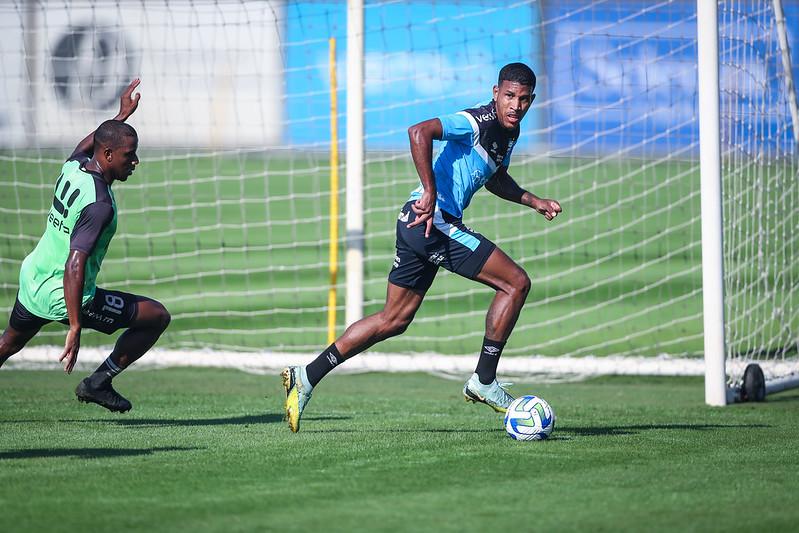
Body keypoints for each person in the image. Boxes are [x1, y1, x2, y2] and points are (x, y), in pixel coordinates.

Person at [282, 63, 561, 432]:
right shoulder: (477, 120)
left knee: (393, 319)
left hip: (417, 224)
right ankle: (484, 380)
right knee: (516, 283)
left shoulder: (510, 132)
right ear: (496, 93)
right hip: (434, 221)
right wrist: (430, 191)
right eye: (509, 96)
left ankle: (306, 375)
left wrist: (532, 200)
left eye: (523, 100)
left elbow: (494, 178)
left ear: (532, 101)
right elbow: (420, 131)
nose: (515, 105)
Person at [0, 79, 170, 413]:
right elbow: (75, 263)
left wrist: (119, 118)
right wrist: (76, 326)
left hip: (33, 276)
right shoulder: (99, 204)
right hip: (65, 293)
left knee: (8, 343)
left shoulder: (74, 165)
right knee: (156, 316)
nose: (134, 161)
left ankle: (97, 381)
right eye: (128, 155)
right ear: (107, 155)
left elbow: (89, 142)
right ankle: (98, 382)